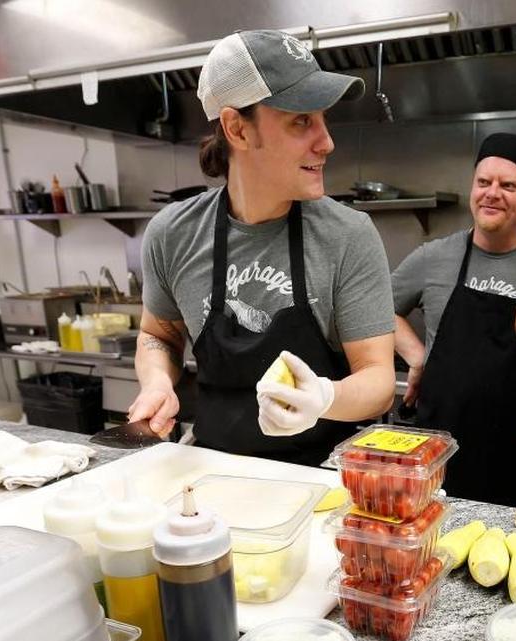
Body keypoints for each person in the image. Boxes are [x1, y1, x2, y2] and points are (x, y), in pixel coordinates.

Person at [129, 30, 396, 466]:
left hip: (323, 482)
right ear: (237, 128)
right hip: (212, 472)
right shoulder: (173, 233)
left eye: (323, 119)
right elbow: (158, 334)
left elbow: (379, 379)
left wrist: (324, 397)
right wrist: (157, 383)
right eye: (301, 121)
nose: (326, 142)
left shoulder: (347, 235)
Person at [393, 133, 516, 506]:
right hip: (437, 451)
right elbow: (377, 310)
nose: (492, 193)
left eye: (508, 185)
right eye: (483, 182)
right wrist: (416, 356)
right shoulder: (433, 257)